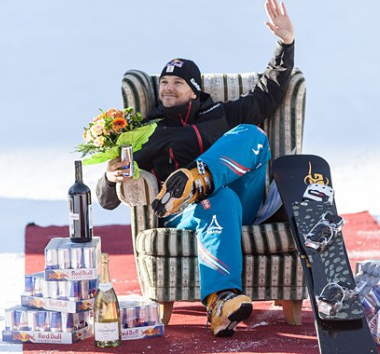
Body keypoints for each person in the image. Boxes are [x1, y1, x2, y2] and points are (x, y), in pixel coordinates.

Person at [96, 0, 295, 337]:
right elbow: (106, 199)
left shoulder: (220, 114)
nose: (167, 88)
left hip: (242, 199)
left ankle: (198, 177)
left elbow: (268, 92)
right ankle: (221, 302)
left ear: (195, 90)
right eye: (163, 83)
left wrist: (285, 44)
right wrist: (108, 176)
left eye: (177, 83)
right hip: (183, 211)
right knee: (220, 201)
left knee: (252, 134)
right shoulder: (149, 130)